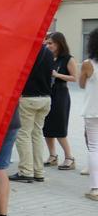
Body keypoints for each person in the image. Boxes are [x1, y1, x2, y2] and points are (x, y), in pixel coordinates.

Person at [10, 44, 53, 183]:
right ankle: (38, 171)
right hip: (46, 98)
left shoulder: (27, 51)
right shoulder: (48, 52)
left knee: (23, 134)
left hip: (29, 98)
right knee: (37, 134)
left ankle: (26, 171)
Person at [43, 32, 78, 170]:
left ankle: (69, 157)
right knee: (47, 127)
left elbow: (75, 78)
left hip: (61, 94)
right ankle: (53, 156)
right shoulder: (49, 57)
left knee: (59, 127)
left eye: (51, 43)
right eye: (47, 43)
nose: (48, 45)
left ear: (59, 43)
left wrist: (57, 75)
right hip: (47, 93)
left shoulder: (68, 59)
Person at [79, 28, 98, 201]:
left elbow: (82, 84)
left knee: (94, 147)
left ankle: (95, 189)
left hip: (92, 110)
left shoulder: (87, 64)